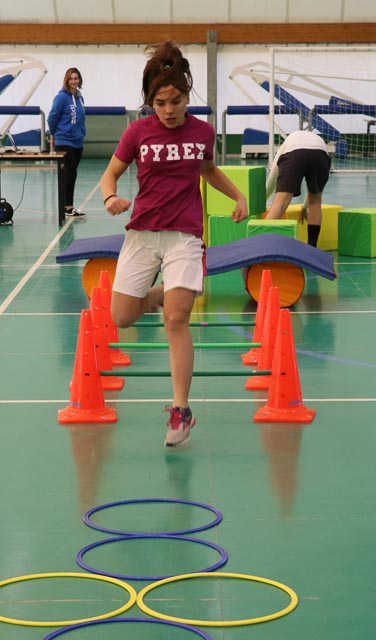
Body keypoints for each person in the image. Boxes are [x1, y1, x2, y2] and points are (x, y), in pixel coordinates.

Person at [100, 41, 248, 447]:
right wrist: (110, 198)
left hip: (185, 234)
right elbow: (110, 175)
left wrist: (237, 195)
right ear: (150, 102)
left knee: (176, 320)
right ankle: (167, 291)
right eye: (160, 102)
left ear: (187, 96)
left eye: (176, 101)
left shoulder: (201, 131)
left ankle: (181, 409)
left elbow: (207, 169)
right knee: (123, 317)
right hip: (143, 233)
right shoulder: (136, 132)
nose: (168, 110)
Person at [263, 128, 331, 247]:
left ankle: (261, 245)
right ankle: (312, 246)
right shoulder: (317, 140)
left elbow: (273, 176)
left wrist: (262, 200)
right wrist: (304, 208)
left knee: (281, 203)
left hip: (295, 154)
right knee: (315, 202)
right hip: (321, 154)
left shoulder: (287, 143)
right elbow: (312, 191)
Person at [48, 67, 86, 217]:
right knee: (69, 174)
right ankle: (66, 207)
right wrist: (53, 134)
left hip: (78, 141)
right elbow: (52, 117)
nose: (73, 81)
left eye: (76, 78)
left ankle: (68, 205)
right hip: (64, 141)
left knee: (72, 174)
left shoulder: (79, 97)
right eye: (71, 79)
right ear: (66, 80)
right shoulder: (61, 97)